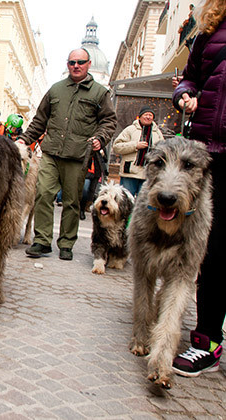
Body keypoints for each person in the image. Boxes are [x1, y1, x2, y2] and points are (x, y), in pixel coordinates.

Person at [19, 48, 117, 261]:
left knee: (72, 201)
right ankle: (42, 241)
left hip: (78, 155)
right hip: (51, 152)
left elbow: (109, 121)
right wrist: (24, 139)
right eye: (72, 62)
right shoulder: (56, 90)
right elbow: (39, 120)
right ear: (67, 64)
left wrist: (100, 138)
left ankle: (66, 243)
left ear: (88, 64)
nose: (76, 66)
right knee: (43, 193)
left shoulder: (100, 93)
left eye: (80, 62)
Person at [171, 0, 226, 378]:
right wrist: (185, 95)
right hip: (211, 154)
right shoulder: (209, 30)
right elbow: (190, 78)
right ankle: (207, 340)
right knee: (214, 249)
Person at [112, 106, 165, 197]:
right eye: (146, 114)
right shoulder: (130, 130)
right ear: (140, 116)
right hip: (130, 173)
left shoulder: (157, 133)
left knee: (144, 201)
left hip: (148, 174)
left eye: (150, 115)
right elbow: (116, 147)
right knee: (125, 200)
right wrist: (135, 145)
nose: (148, 117)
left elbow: (163, 151)